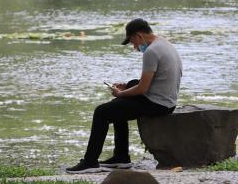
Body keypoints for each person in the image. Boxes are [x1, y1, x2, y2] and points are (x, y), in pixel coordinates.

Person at [65, 18, 183, 173]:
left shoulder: (151, 52)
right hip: (168, 100)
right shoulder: (164, 44)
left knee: (101, 112)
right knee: (118, 104)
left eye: (133, 43)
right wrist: (127, 86)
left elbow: (142, 88)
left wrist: (121, 93)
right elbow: (153, 80)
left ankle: (90, 161)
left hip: (158, 104)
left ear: (139, 35)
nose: (135, 47)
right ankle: (121, 157)